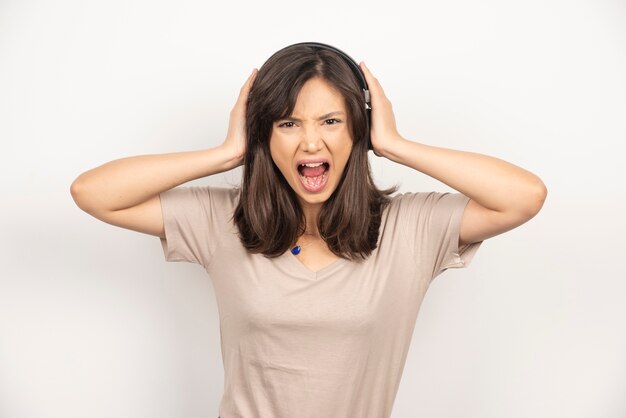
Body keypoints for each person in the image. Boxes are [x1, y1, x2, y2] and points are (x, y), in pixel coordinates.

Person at [71, 43, 547, 418]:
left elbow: (524, 197)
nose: (311, 141)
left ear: (358, 130)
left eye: (331, 121)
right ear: (266, 135)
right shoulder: (221, 220)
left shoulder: (411, 227)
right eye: (287, 122)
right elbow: (93, 192)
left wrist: (395, 145)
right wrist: (225, 153)